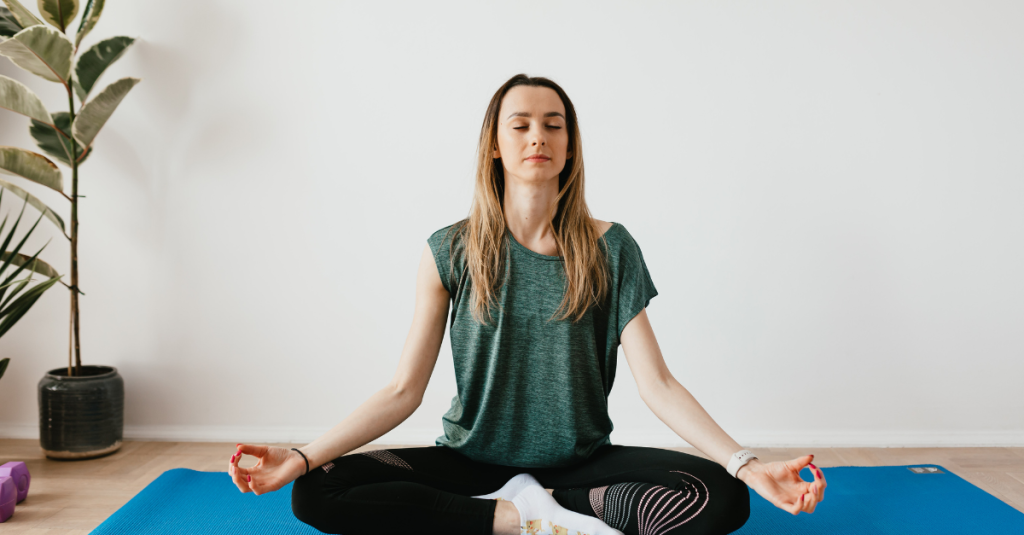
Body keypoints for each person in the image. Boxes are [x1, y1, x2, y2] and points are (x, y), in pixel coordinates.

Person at [229, 74, 827, 535]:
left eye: (554, 124)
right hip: (470, 461)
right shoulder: (450, 250)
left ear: (570, 146)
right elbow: (402, 392)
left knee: (723, 498)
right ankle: (513, 519)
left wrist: (747, 463)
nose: (538, 135)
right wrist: (303, 457)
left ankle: (554, 505)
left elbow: (660, 385)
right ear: (495, 144)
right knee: (315, 490)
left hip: (582, 463)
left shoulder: (611, 248)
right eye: (520, 124)